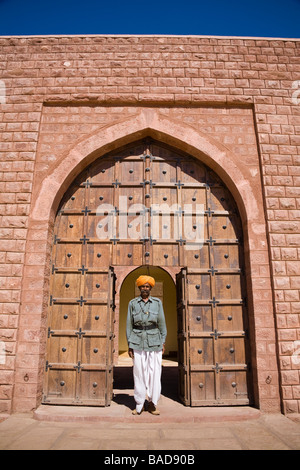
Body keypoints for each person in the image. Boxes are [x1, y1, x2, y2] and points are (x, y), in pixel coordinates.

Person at [126, 275, 167, 415]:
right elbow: (129, 325)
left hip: (154, 342)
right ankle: (139, 404)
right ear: (139, 287)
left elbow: (161, 323)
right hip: (137, 341)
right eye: (143, 286)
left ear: (150, 288)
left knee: (154, 373)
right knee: (139, 374)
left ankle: (152, 403)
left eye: (147, 287)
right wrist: (130, 344)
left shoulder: (157, 303)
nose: (145, 288)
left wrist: (163, 341)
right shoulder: (133, 303)